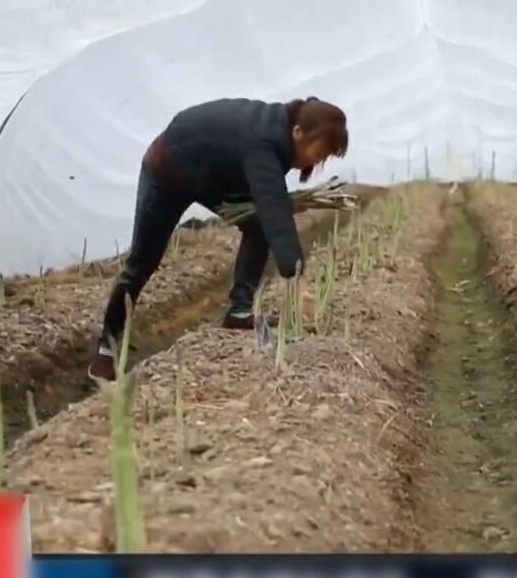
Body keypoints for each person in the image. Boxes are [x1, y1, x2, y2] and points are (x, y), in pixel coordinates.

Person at [87, 96, 349, 382]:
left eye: (324, 158)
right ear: (298, 132)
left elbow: (268, 205)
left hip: (213, 177)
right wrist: (296, 276)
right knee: (142, 262)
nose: (317, 161)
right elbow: (275, 209)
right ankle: (106, 348)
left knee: (258, 226)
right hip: (168, 170)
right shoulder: (265, 142)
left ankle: (239, 311)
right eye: (318, 152)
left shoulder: (282, 135)